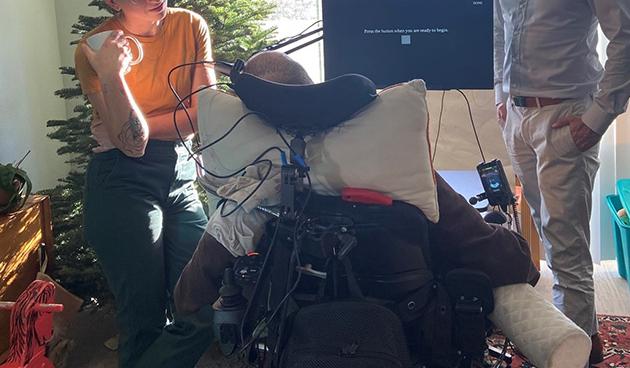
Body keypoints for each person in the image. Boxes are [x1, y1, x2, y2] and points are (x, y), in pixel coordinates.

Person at [174, 50, 540, 317]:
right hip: (406, 329)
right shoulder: (400, 169)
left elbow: (189, 297)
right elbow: (499, 260)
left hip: (298, 336)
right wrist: (518, 248)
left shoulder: (248, 191)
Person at [493, 0, 630, 365]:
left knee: (567, 248)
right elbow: (500, 28)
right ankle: (580, 341)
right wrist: (500, 94)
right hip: (517, 115)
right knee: (543, 227)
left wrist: (597, 119)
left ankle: (579, 355)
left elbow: (628, 42)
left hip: (566, 117)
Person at [74, 0, 216, 368]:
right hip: (121, 185)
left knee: (209, 299)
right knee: (143, 319)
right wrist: (114, 74)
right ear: (111, 2)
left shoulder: (190, 25)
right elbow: (130, 148)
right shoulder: (95, 49)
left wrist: (132, 126)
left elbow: (200, 116)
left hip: (179, 177)